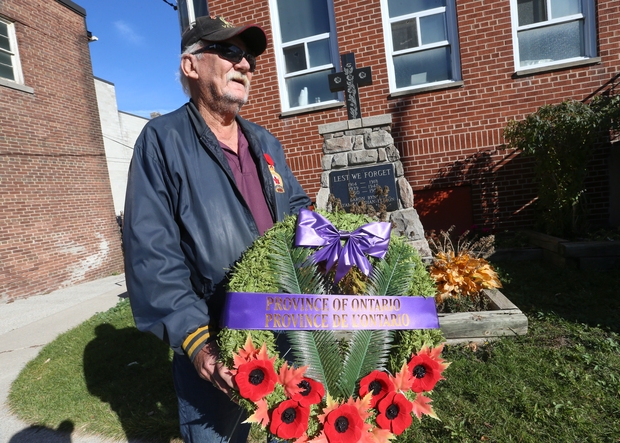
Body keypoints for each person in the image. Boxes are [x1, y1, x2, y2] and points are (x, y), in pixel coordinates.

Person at [122, 15, 312, 442]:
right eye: (229, 52)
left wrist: (340, 245)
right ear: (191, 65)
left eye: (248, 58)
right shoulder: (161, 141)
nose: (244, 64)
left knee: (300, 430)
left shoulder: (264, 141)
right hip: (216, 339)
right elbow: (153, 254)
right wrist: (198, 344)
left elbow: (296, 208)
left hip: (287, 327)